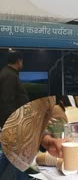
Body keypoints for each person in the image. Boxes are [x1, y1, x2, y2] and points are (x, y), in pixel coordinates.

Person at [0, 51, 30, 179]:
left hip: (10, 123)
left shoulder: (8, 74)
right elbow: (7, 102)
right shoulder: (9, 76)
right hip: (12, 125)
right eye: (22, 61)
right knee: (19, 157)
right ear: (19, 61)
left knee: (11, 156)